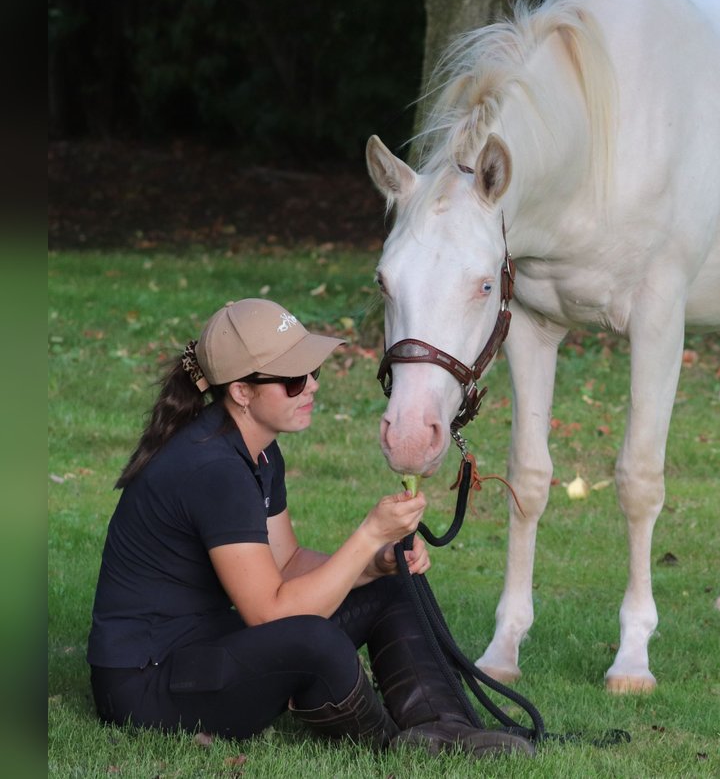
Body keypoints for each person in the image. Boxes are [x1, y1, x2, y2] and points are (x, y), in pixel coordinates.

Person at [86, 297, 534, 757]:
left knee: (395, 586)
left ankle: (447, 728)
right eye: (294, 380)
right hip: (146, 686)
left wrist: (377, 564)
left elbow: (288, 562)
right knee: (312, 641)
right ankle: (393, 745)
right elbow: (271, 614)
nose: (312, 388)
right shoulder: (213, 469)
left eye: (313, 373)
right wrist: (369, 536)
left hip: (204, 648)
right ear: (241, 391)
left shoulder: (255, 450)